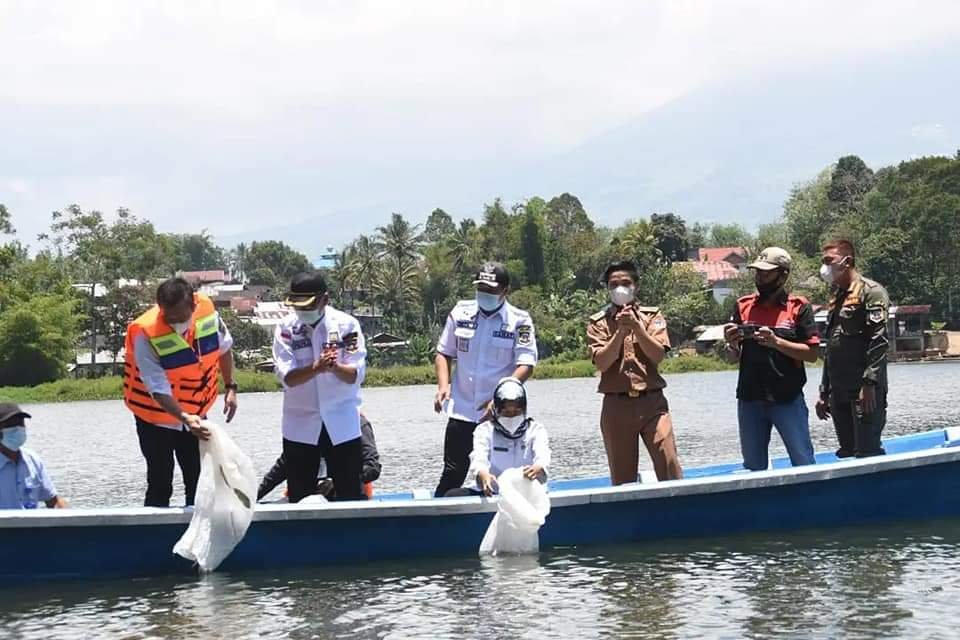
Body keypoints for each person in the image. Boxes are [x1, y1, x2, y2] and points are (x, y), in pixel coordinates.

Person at [123, 277, 238, 507]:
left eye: (180, 317)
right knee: (160, 480)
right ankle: (156, 526)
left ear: (193, 306)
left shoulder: (208, 314)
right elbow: (157, 387)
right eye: (169, 318)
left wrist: (230, 387)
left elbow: (224, 349)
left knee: (199, 479)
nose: (175, 323)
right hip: (154, 417)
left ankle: (200, 525)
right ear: (160, 308)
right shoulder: (145, 333)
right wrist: (185, 418)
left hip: (195, 410)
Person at [433, 262, 538, 497]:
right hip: (461, 410)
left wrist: (499, 398)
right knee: (452, 472)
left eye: (490, 290)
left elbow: (526, 365)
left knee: (502, 474)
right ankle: (438, 513)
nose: (484, 294)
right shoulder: (460, 312)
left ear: (505, 291)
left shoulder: (519, 321)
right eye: (481, 288)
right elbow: (443, 353)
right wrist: (443, 385)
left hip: (500, 414)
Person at [273, 271, 368, 502]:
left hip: (341, 424)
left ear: (324, 300)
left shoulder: (347, 326)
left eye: (307, 305)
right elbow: (287, 378)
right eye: (297, 306)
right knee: (300, 496)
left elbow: (355, 375)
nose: (302, 311)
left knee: (350, 494)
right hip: (300, 424)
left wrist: (334, 367)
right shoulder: (285, 329)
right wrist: (316, 368)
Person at [723, 247, 819, 471]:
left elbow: (812, 354)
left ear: (783, 275)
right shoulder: (743, 305)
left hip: (787, 398)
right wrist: (731, 344)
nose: (760, 278)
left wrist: (776, 342)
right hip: (750, 399)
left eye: (766, 273)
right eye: (758, 272)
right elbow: (731, 359)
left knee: (803, 460)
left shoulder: (799, 307)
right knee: (753, 466)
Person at [587, 259, 682, 484]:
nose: (619, 288)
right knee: (622, 477)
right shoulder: (598, 322)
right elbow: (601, 363)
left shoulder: (652, 316)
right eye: (613, 284)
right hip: (616, 404)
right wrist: (620, 332)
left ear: (635, 286)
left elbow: (657, 355)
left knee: (668, 461)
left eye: (625, 283)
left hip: (652, 402)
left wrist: (637, 327)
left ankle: (679, 503)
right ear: (607, 288)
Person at [815, 239, 890, 458]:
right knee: (846, 451)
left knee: (867, 451)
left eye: (829, 261)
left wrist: (869, 384)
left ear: (847, 262)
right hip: (838, 390)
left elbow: (879, 341)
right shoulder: (837, 296)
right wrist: (824, 392)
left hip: (863, 389)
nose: (825, 267)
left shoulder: (871, 292)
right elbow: (831, 347)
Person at [447, 377, 550, 497]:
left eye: (516, 412)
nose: (511, 417)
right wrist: (483, 473)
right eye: (506, 412)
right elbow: (479, 458)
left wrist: (539, 467)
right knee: (451, 495)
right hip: (492, 490)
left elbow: (543, 454)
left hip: (529, 490)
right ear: (496, 410)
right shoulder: (484, 430)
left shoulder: (536, 430)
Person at [256, 414, 381, 501]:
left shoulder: (357, 424)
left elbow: (373, 467)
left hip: (349, 499)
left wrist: (339, 481)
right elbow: (282, 468)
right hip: (306, 501)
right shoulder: (305, 424)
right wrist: (253, 496)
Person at [0, 404, 68, 509]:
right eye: (11, 424)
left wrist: (69, 515)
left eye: (20, 423)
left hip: (31, 520)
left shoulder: (33, 460)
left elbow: (53, 501)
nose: (18, 428)